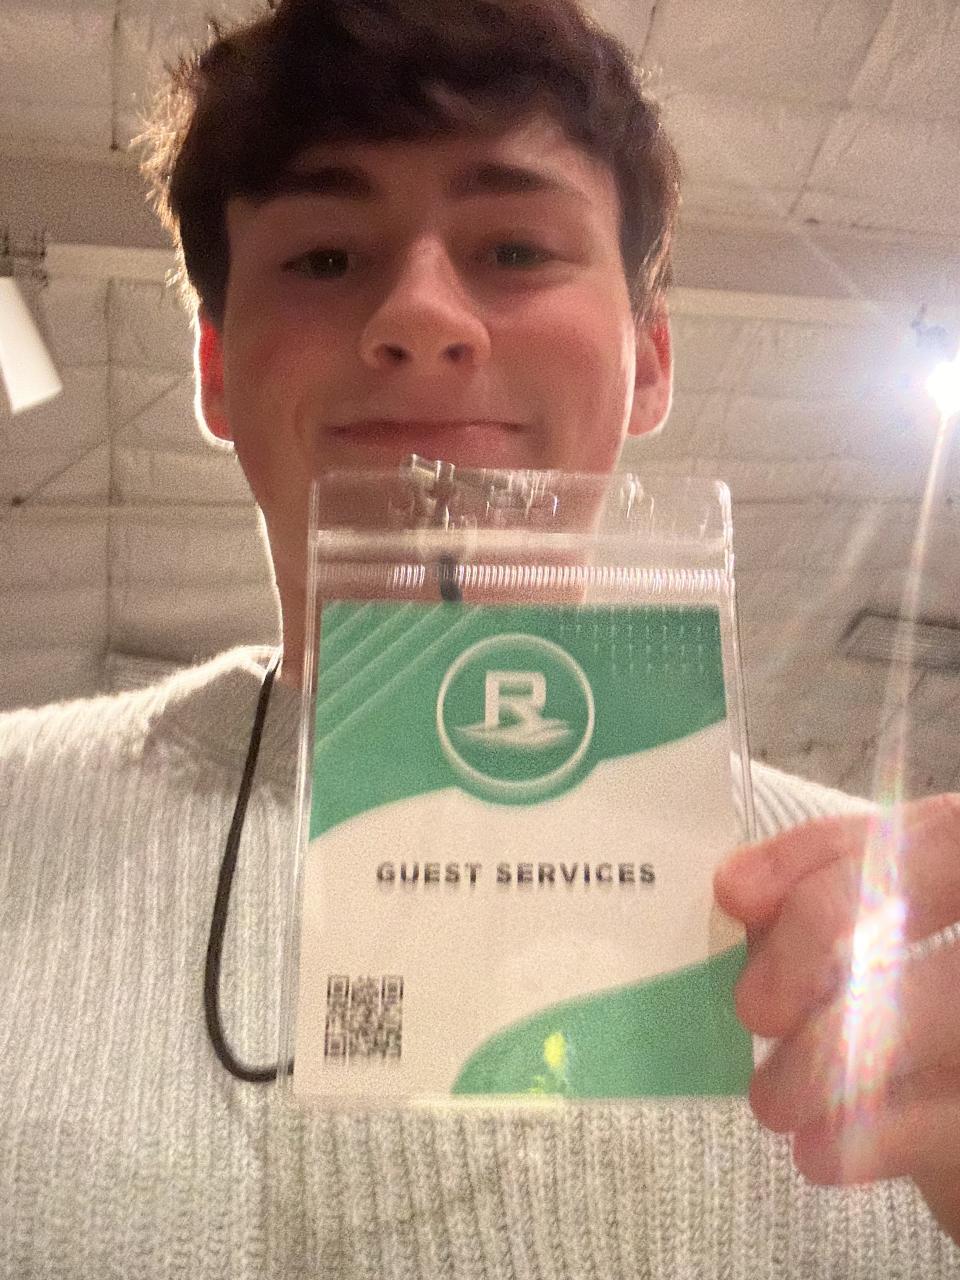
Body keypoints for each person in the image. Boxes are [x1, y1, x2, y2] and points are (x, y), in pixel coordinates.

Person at [1, 0, 959, 1274]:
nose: (421, 313)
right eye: (325, 258)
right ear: (217, 371)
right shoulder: (16, 816)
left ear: (650, 360)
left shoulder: (900, 944)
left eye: (514, 248)